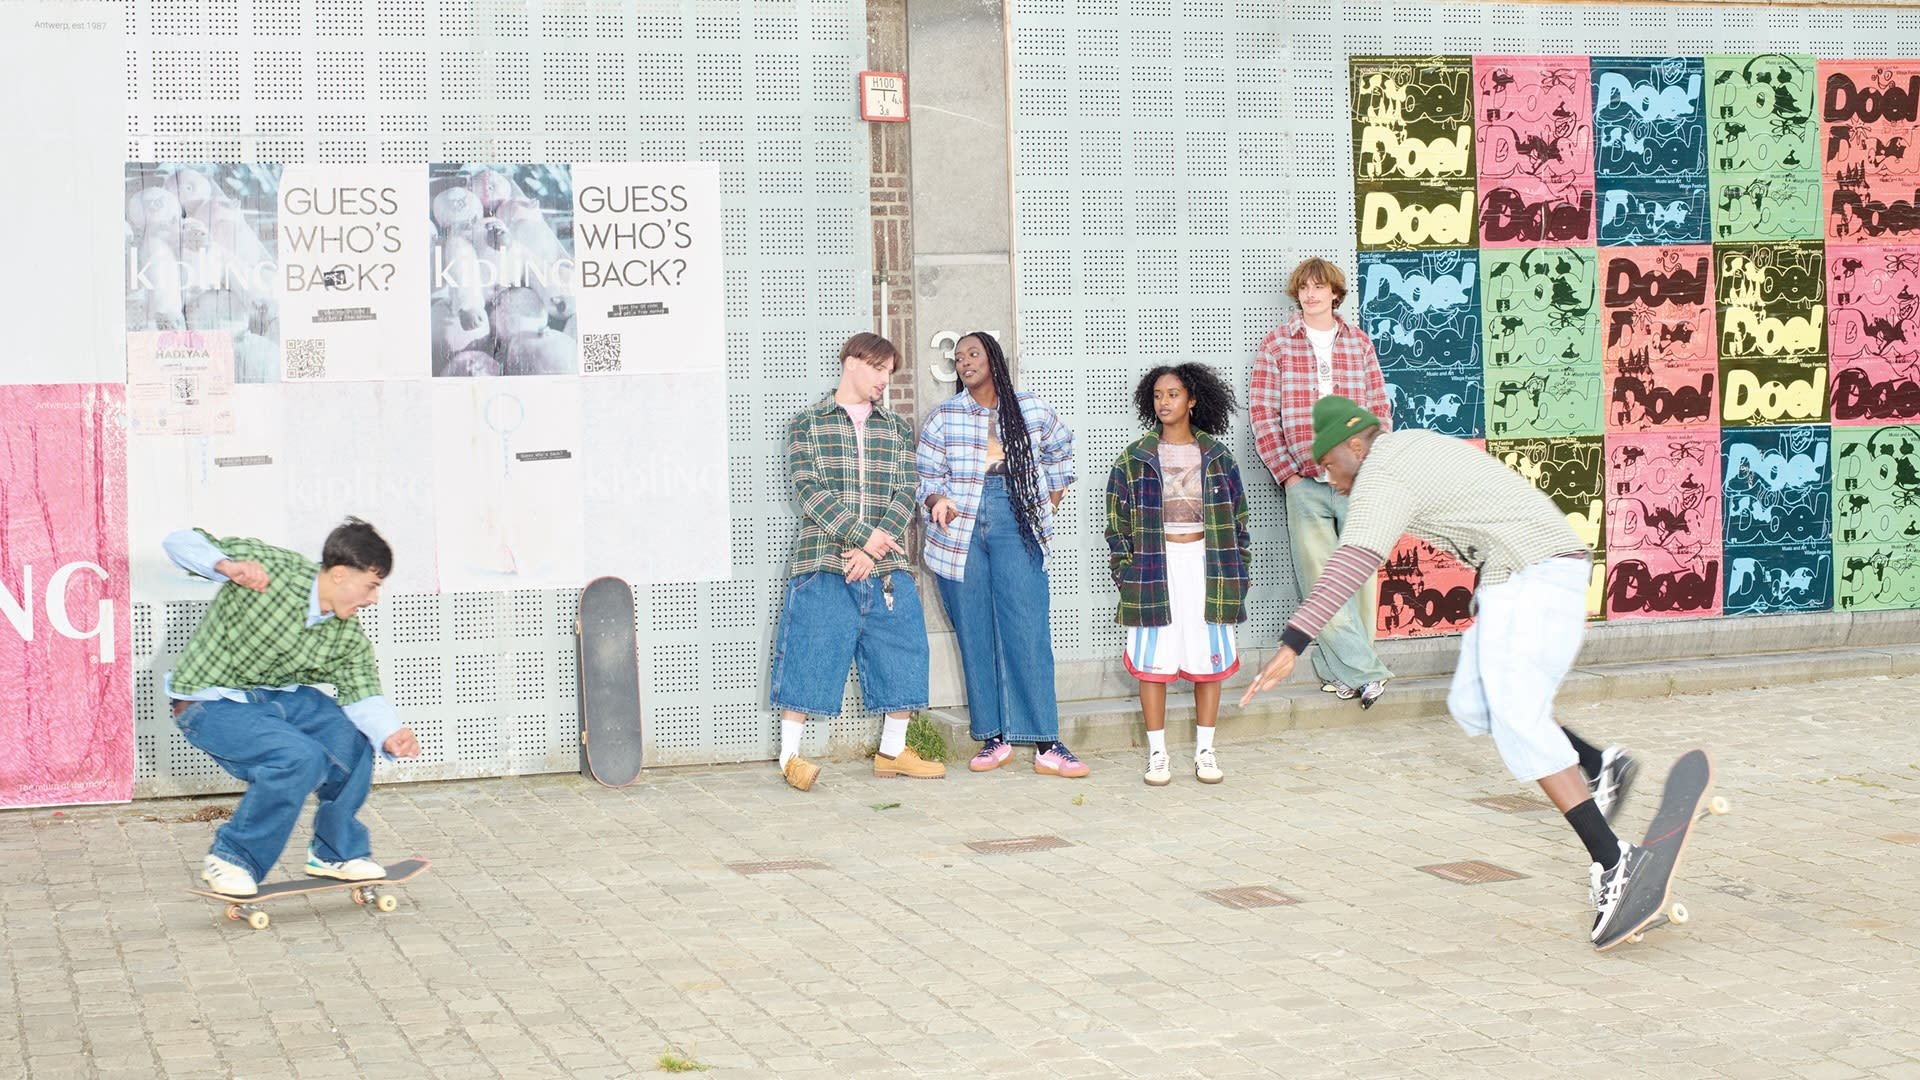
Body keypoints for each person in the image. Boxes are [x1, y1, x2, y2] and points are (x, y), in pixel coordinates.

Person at [1240, 396, 1643, 943]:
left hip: (1535, 572)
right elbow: (1484, 509)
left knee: (1515, 718)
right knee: (1474, 704)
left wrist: (1293, 643)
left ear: (1355, 444)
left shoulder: (1383, 470)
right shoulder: (1410, 447)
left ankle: (1615, 859)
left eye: (1331, 466)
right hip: (1520, 573)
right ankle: (1598, 764)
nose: (1332, 483)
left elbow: (1353, 559)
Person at [164, 518, 422, 898]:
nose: (373, 599)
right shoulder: (274, 570)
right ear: (338, 575)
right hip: (209, 702)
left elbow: (362, 691)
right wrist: (226, 566)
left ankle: (334, 853)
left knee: (350, 740)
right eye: (370, 586)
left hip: (275, 699)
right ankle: (232, 858)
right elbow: (181, 541)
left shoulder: (346, 634)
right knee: (298, 758)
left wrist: (390, 731)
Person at [770, 332, 945, 790]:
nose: (885, 379)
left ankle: (892, 751)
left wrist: (872, 549)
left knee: (902, 649)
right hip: (824, 561)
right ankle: (790, 758)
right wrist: (864, 537)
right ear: (852, 363)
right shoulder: (807, 423)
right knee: (811, 651)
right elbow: (809, 492)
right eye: (879, 369)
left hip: (886, 565)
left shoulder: (896, 427)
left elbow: (907, 491)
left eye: (890, 371)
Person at [917, 332, 1086, 777]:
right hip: (961, 525)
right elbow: (925, 475)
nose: (964, 361)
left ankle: (1047, 742)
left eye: (973, 353)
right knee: (974, 629)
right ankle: (994, 737)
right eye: (958, 358)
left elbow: (1061, 447)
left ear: (994, 358)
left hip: (1014, 512)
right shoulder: (945, 416)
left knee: (1026, 625)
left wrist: (1050, 496)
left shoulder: (1029, 408)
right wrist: (936, 502)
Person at [1250, 257, 1395, 708]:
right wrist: (1287, 475)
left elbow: (1380, 410)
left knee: (1360, 579)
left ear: (1335, 293)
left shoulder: (1360, 344)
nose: (1311, 294)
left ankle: (1342, 674)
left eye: (1320, 287)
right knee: (1319, 581)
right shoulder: (1277, 345)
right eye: (1304, 288)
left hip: (1357, 479)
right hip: (1306, 483)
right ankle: (1367, 672)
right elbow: (1262, 416)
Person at [1106, 363, 1250, 786]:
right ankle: (1158, 754)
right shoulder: (1134, 459)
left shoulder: (1219, 457)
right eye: (1157, 395)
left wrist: (1237, 569)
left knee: (1209, 660)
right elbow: (1116, 525)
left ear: (1192, 400)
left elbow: (1239, 520)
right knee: (1154, 662)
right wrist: (1126, 571)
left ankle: (1205, 751)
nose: (1164, 402)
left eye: (1172, 394)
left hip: (1208, 564)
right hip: (1154, 565)